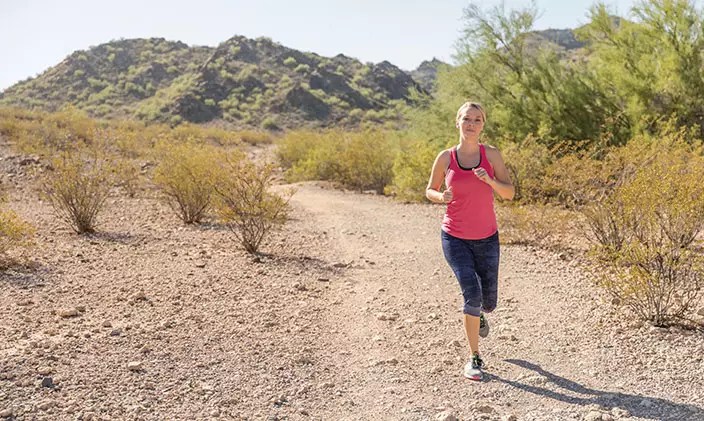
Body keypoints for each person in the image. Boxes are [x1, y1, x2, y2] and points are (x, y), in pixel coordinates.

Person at [425, 101, 515, 381]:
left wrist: (489, 180)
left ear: (483, 124)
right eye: (466, 119)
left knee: (488, 302)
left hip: (487, 238)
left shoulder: (492, 155)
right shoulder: (445, 158)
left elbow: (509, 193)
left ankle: (480, 315)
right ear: (457, 122)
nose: (471, 124)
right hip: (454, 237)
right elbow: (430, 189)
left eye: (477, 119)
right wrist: (442, 197)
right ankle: (474, 358)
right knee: (471, 295)